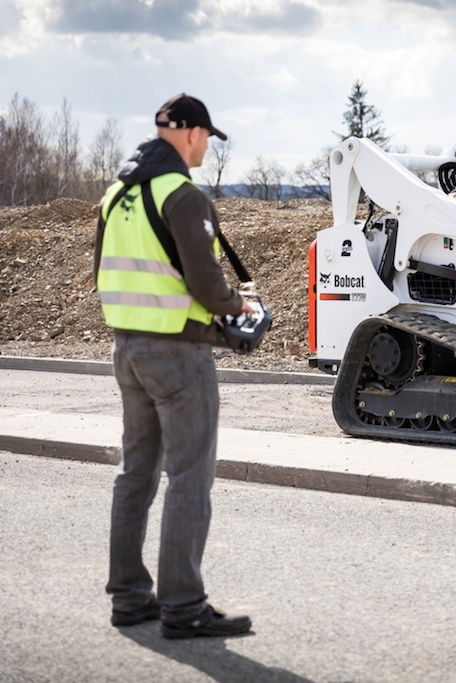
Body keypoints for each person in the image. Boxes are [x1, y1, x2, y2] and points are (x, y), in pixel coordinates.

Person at [94, 93, 254, 639]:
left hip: (127, 351)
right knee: (189, 477)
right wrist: (240, 306)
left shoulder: (116, 194)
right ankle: (183, 607)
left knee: (135, 475)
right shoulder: (181, 194)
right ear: (188, 132)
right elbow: (207, 285)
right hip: (178, 357)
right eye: (207, 135)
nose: (207, 144)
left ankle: (129, 598)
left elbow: (106, 270)